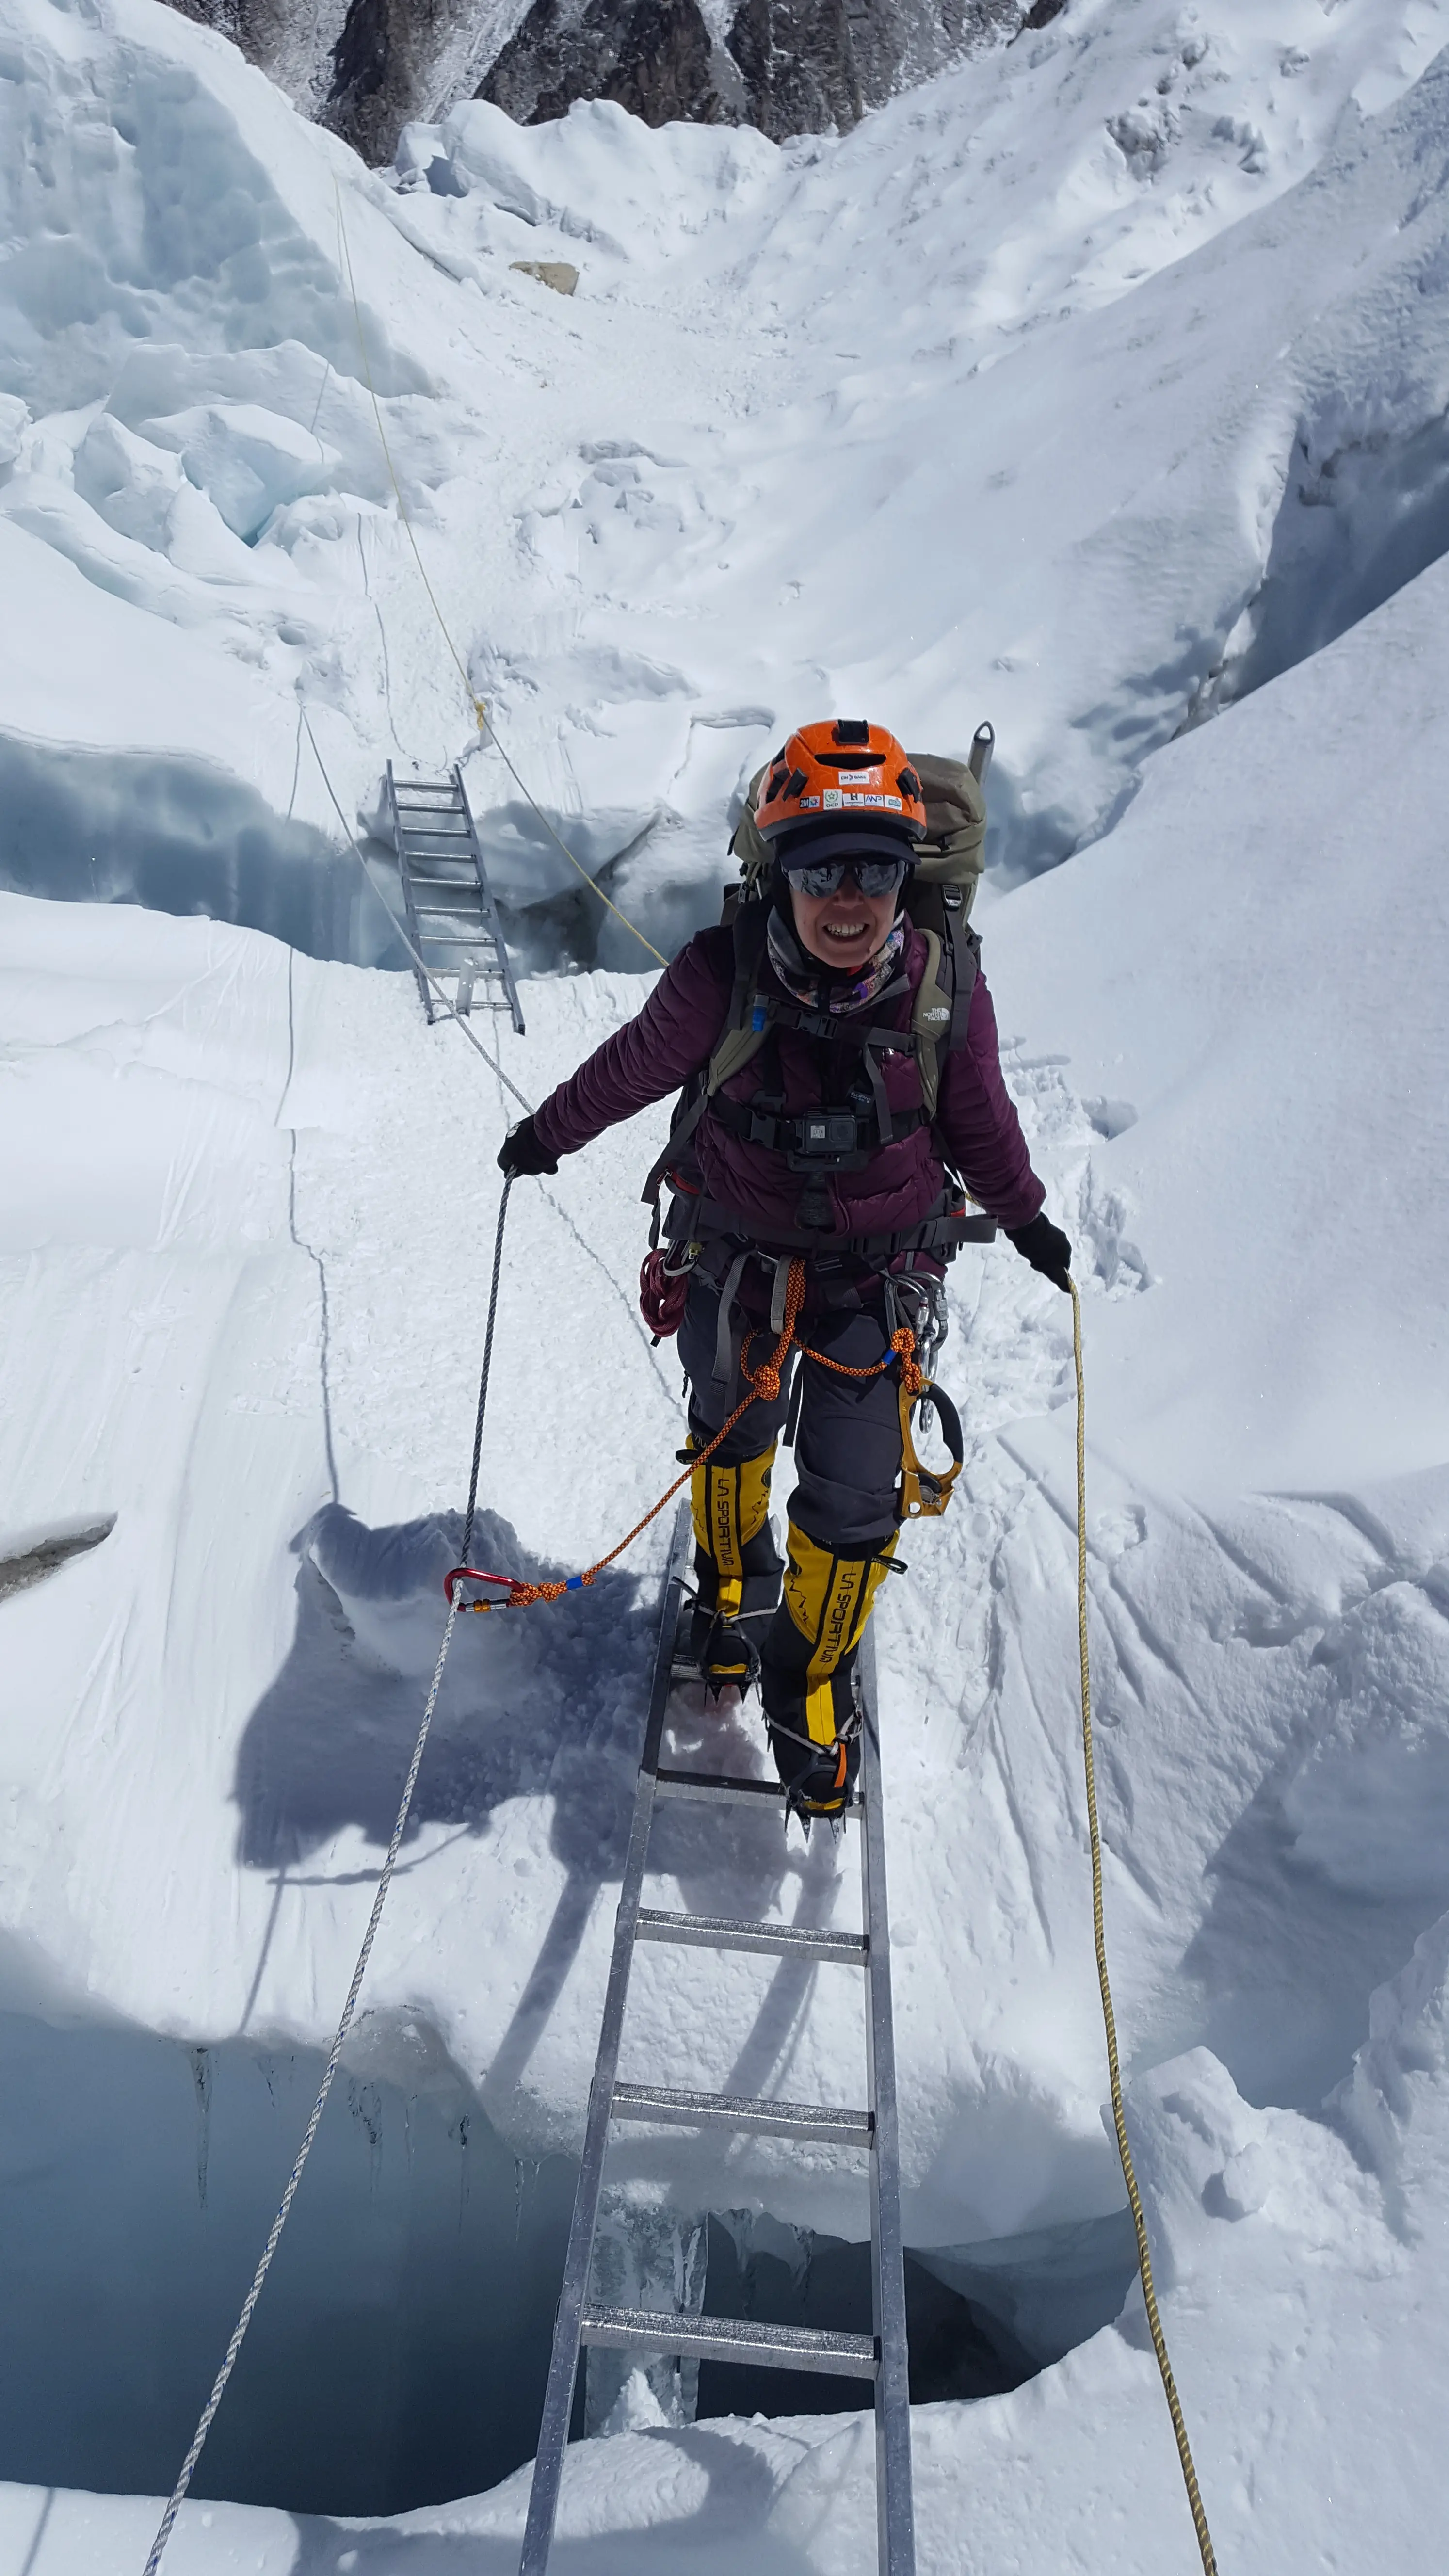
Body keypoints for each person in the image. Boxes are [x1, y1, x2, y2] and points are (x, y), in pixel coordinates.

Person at [499, 719, 1070, 1819]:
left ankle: (806, 1671)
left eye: (875, 869)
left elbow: (981, 1123)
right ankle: (731, 1594)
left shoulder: (942, 988)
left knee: (859, 1495)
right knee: (730, 1436)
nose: (847, 899)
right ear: (780, 871)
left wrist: (1030, 1219)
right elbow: (630, 1069)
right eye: (821, 869)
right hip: (737, 1256)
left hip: (876, 1276)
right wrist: (547, 1133)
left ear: (909, 876)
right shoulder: (725, 972)